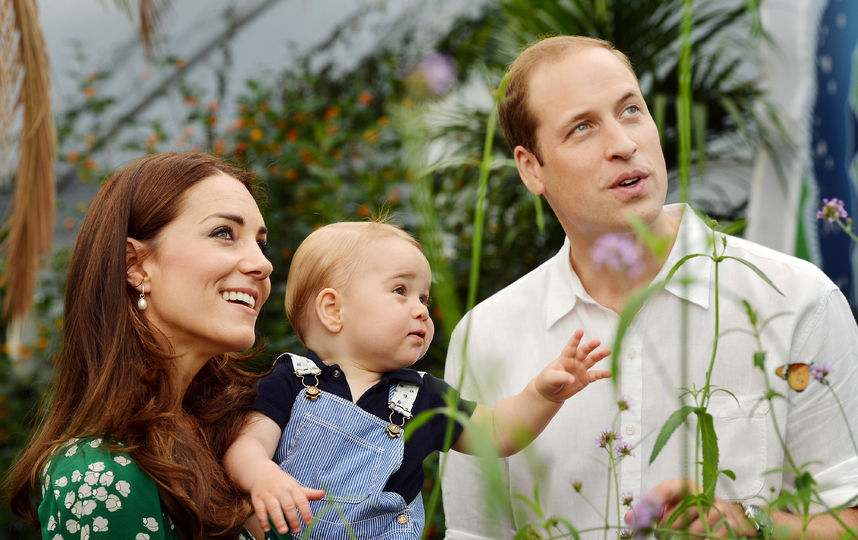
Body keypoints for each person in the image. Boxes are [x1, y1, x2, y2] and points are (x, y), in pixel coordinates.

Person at [441, 35, 858, 539]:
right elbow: (477, 534)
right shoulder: (485, 336)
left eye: (631, 110)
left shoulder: (795, 301)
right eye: (582, 127)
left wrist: (755, 525)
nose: (623, 144)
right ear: (531, 168)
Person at [222, 220, 612, 539]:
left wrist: (542, 395)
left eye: (424, 298)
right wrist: (264, 477)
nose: (422, 310)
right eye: (400, 291)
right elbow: (247, 446)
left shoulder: (423, 396)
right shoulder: (292, 379)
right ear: (333, 309)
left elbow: (497, 433)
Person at [7, 153, 274, 539]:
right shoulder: (98, 474)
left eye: (261, 243)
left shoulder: (252, 434)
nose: (262, 264)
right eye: (224, 233)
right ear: (135, 264)